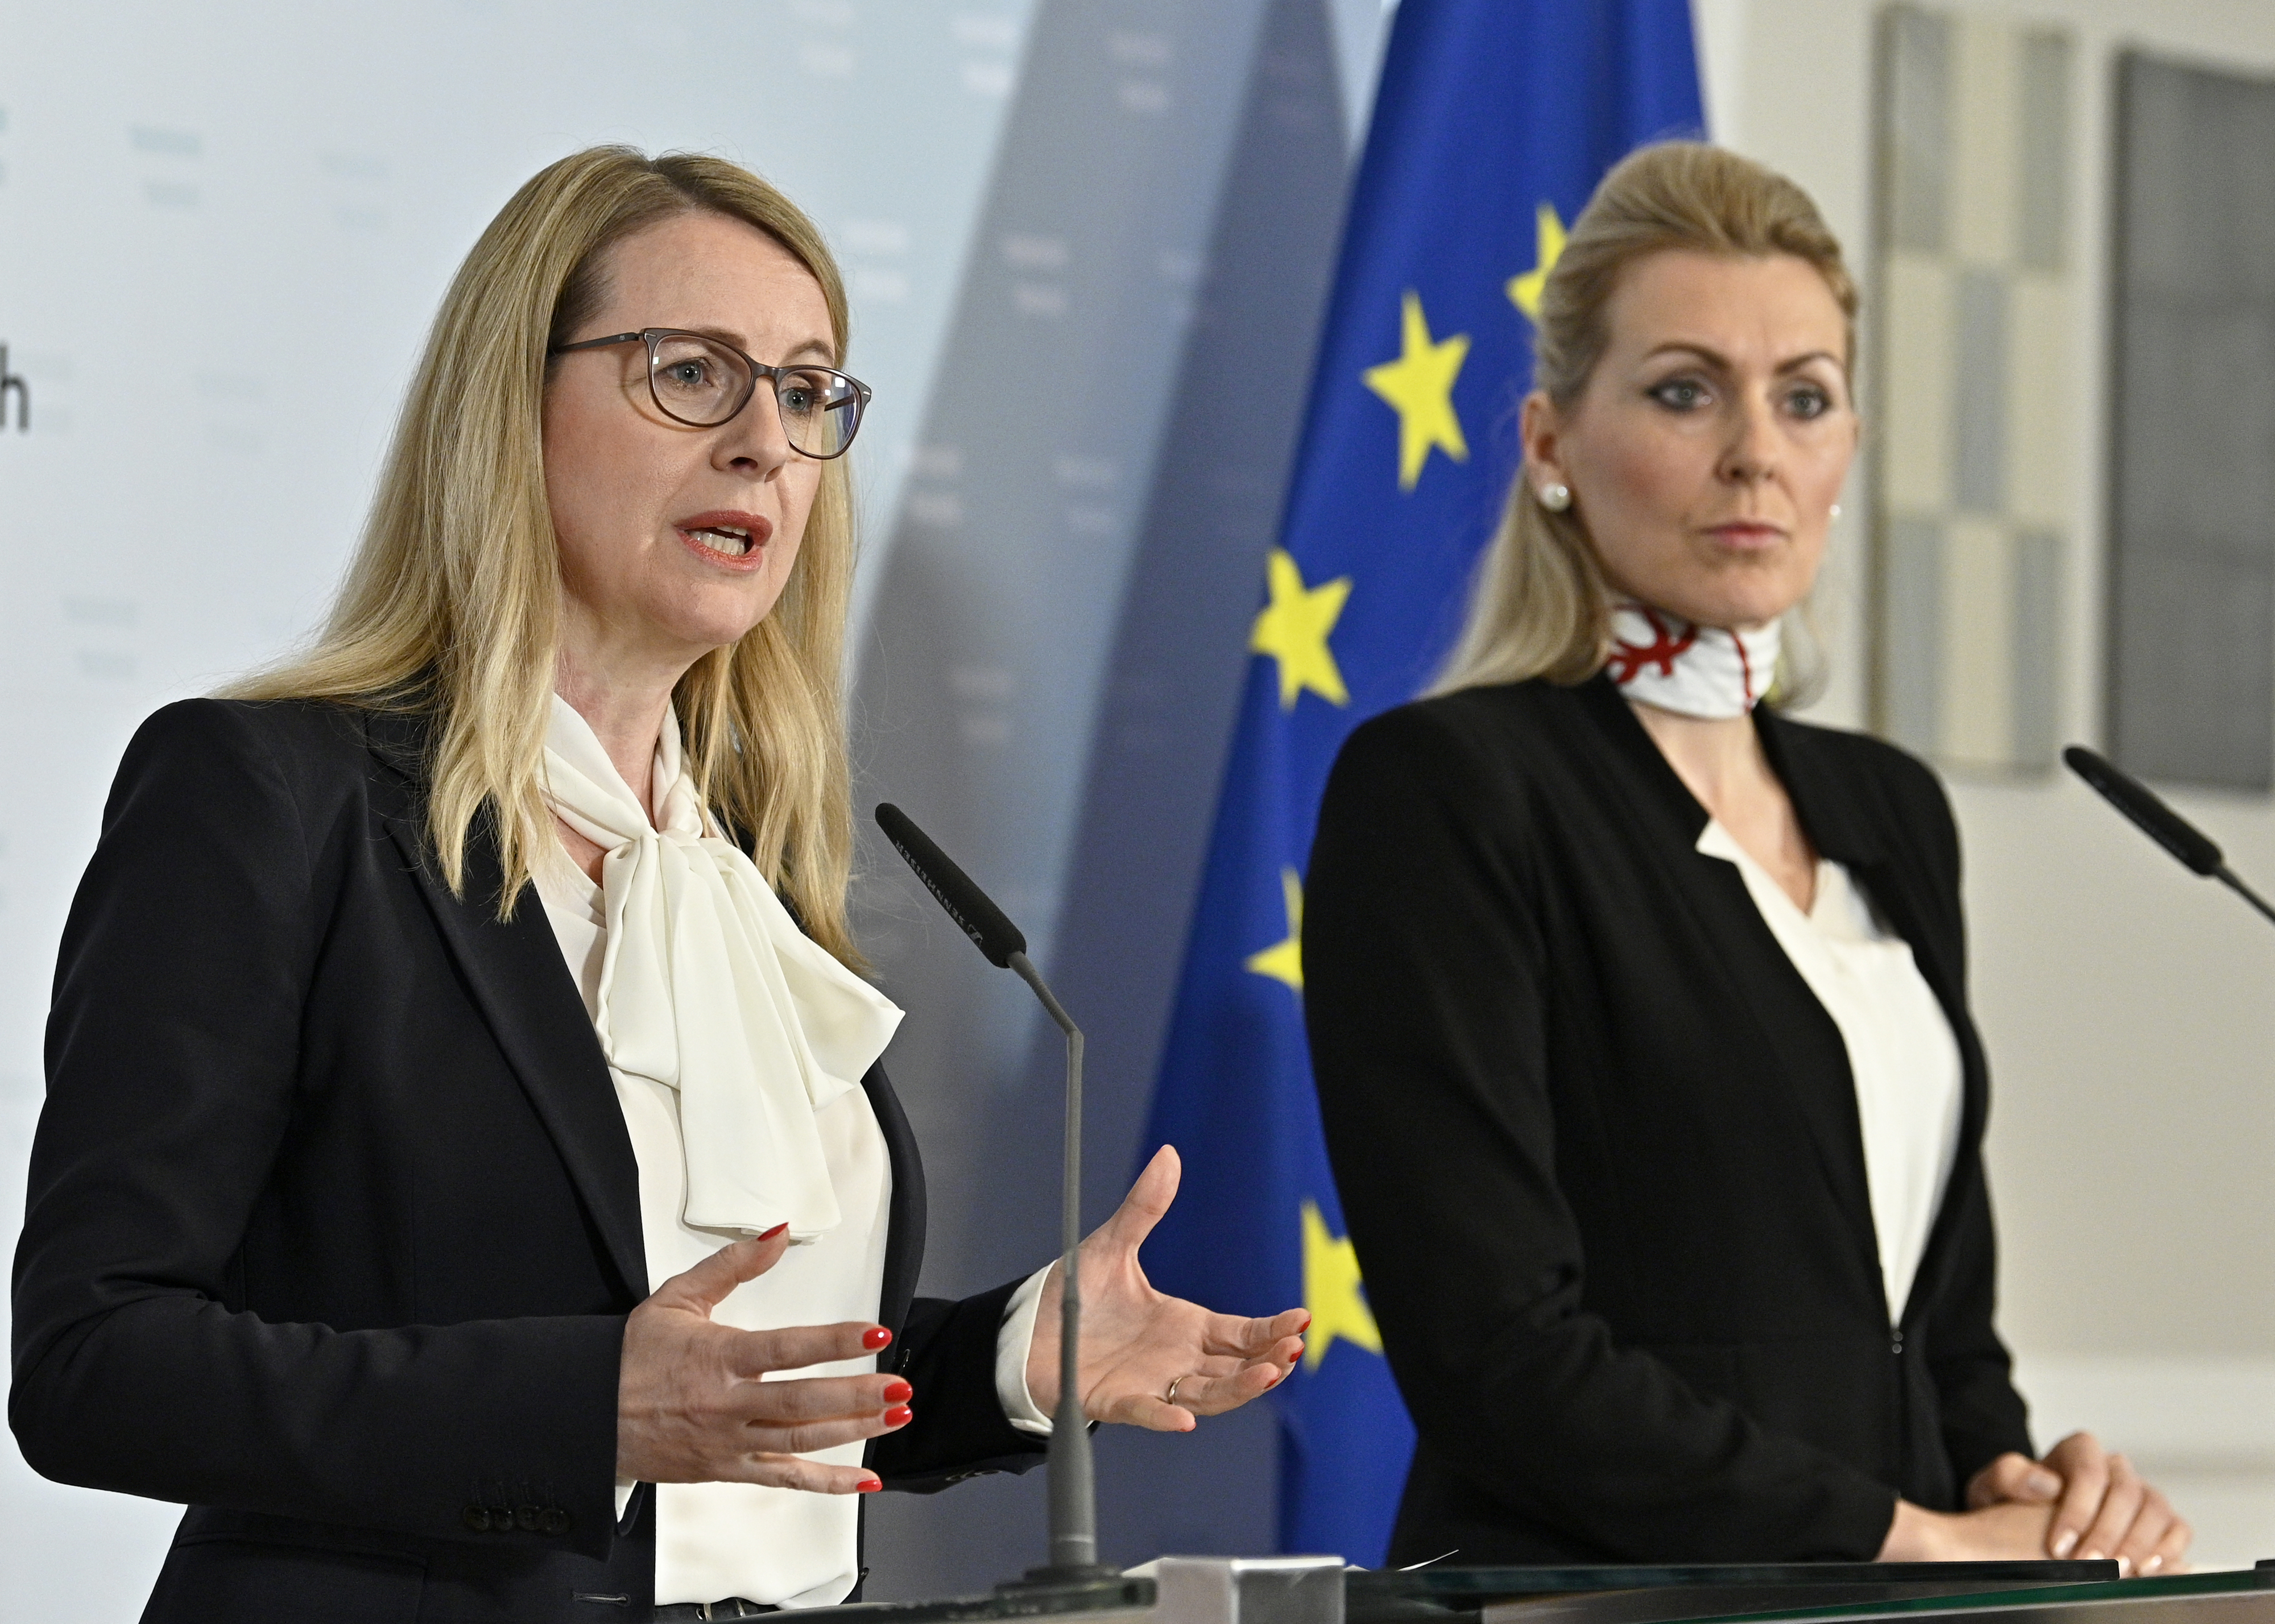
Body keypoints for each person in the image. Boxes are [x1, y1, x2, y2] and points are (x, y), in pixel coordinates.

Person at [11, 147, 1306, 1623]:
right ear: (512, 407)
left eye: (808, 392)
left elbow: (732, 1398)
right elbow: (90, 1362)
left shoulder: (738, 878)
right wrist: (577, 1407)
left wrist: (1010, 1360)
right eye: (693, 373)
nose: (765, 440)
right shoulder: (271, 797)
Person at [1304, 143, 2188, 1576]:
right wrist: (1916, 1542)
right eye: (1681, 389)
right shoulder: (1448, 792)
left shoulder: (1889, 809)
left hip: (1896, 1607)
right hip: (1601, 1600)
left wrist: (2028, 1485)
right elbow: (1496, 1356)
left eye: (1803, 398)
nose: (1753, 452)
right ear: (1547, 445)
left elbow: (1938, 1326)